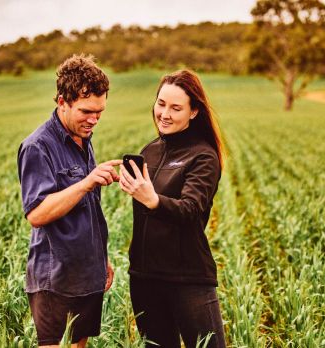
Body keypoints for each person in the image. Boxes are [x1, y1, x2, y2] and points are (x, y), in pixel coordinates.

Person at [17, 54, 121, 348]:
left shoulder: (83, 138)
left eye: (100, 112)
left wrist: (101, 258)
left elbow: (86, 210)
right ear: (62, 102)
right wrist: (87, 182)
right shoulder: (38, 147)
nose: (94, 119)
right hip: (55, 279)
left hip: (87, 273)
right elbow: (37, 213)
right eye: (87, 111)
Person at [119, 70, 226, 348]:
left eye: (176, 108)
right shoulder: (150, 152)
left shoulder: (203, 156)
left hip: (188, 278)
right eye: (161, 103)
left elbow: (190, 209)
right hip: (144, 279)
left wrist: (152, 200)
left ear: (193, 112)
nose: (164, 114)